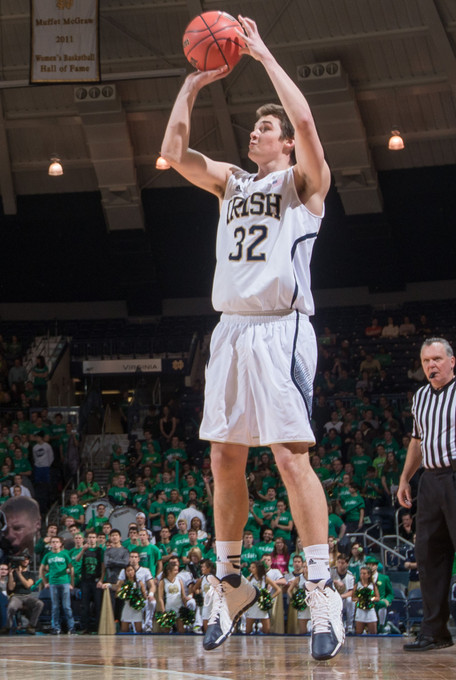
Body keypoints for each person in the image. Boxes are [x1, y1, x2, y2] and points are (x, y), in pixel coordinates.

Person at [159, 14, 343, 661]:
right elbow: (175, 152)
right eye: (259, 127)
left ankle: (322, 589)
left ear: (284, 145)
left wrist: (263, 53)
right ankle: (230, 584)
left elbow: (311, 127)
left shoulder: (301, 186)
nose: (259, 132)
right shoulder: (232, 183)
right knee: (224, 459)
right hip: (230, 331)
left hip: (281, 328)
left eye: (268, 128)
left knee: (292, 458)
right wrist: (192, 84)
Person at [398, 337, 456, 651]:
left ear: (452, 361)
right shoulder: (420, 396)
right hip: (431, 480)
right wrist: (405, 478)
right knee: (429, 555)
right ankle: (435, 632)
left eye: (436, 359)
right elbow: (417, 441)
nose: (431, 365)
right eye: (425, 361)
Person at [40, 536, 74, 634]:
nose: (55, 544)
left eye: (56, 542)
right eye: (53, 542)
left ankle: (71, 627)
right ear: (50, 544)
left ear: (60, 544)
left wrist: (71, 583)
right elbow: (42, 569)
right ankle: (56, 627)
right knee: (55, 607)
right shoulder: (48, 555)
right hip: (53, 583)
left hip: (64, 582)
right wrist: (45, 582)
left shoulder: (65, 554)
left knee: (66, 606)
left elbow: (71, 568)